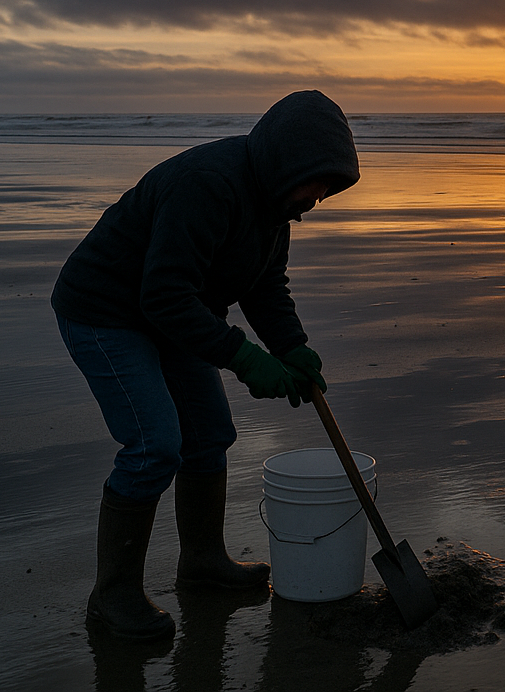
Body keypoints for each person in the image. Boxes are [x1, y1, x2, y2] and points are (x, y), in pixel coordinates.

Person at [52, 90, 360, 641]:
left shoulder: (274, 204)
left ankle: (202, 564)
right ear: (285, 159)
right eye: (316, 180)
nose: (320, 196)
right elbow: (164, 295)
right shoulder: (208, 184)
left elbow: (264, 285)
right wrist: (244, 358)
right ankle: (113, 595)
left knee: (210, 434)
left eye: (330, 187)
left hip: (170, 313)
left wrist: (292, 347)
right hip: (105, 311)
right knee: (154, 446)